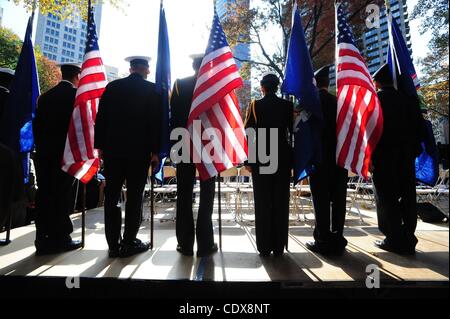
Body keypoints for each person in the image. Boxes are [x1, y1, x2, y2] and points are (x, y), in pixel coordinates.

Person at [94, 56, 162, 258]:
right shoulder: (152, 90)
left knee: (111, 197)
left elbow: (101, 117)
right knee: (134, 198)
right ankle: (129, 241)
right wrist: (156, 151)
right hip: (139, 152)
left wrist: (100, 147)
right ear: (146, 70)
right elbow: (155, 123)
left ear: (131, 68)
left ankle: (113, 244)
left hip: (113, 152)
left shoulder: (113, 87)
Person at [371, 63, 426, 255]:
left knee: (386, 197)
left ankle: (393, 237)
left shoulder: (375, 101)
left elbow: (369, 131)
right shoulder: (409, 100)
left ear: (377, 82)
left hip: (384, 157)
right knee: (408, 195)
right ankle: (408, 236)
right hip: (406, 155)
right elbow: (421, 127)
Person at [170, 54, 217, 257]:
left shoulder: (180, 84)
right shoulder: (215, 85)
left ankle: (185, 243)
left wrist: (174, 146)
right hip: (208, 143)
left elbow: (173, 116)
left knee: (184, 195)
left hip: (183, 142)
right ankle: (205, 244)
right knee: (207, 196)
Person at [33, 63, 82, 255]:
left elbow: (37, 126)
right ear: (77, 76)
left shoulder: (44, 97)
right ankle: (61, 238)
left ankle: (42, 237)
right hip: (66, 154)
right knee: (62, 196)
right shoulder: (76, 97)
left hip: (45, 154)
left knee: (44, 195)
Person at [244, 72, 293, 256]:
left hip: (262, 157)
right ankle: (279, 246)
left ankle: (264, 246)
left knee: (263, 202)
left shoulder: (255, 105)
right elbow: (293, 135)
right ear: (277, 87)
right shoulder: (287, 106)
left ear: (262, 87)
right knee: (281, 201)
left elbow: (249, 133)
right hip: (282, 158)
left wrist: (248, 160)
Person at [306, 65, 349, 256]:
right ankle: (338, 236)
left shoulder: (312, 104)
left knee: (321, 201)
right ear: (328, 83)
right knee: (338, 200)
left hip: (319, 160)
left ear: (315, 84)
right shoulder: (340, 103)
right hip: (339, 160)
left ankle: (322, 238)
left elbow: (304, 134)